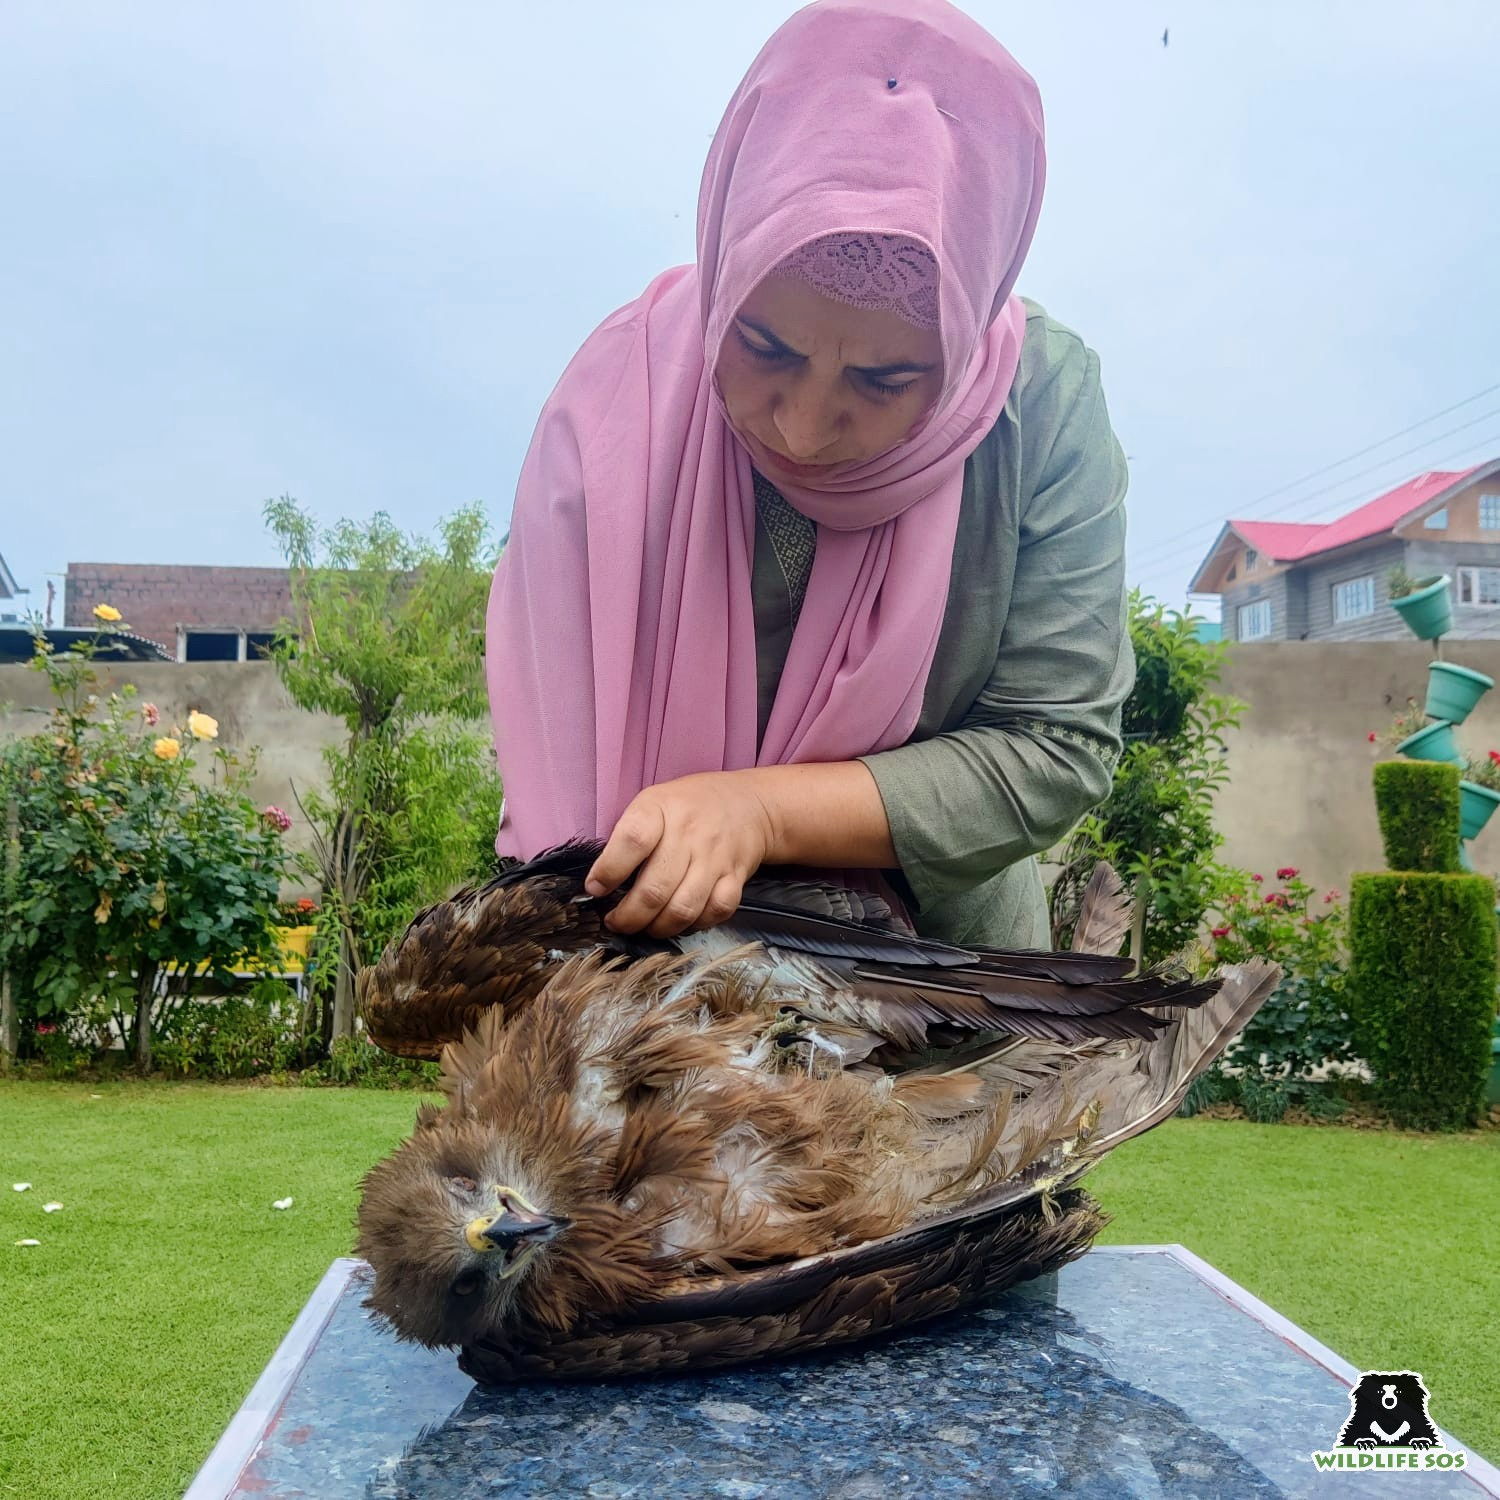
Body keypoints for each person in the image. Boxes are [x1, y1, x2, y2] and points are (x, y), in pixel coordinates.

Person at [486, 0, 1131, 951]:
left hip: (938, 981)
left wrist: (757, 811)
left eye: (884, 380)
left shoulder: (1043, 403)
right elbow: (550, 725)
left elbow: (1054, 746)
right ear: (726, 258)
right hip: (625, 965)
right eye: (763, 347)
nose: (802, 425)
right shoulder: (616, 402)